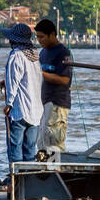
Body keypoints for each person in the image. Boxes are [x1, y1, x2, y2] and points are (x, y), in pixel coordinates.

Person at [1, 24, 44, 166]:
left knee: (15, 148)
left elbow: (13, 81)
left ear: (14, 40)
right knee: (30, 149)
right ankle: (28, 181)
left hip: (20, 110)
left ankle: (15, 183)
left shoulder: (16, 55)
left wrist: (9, 104)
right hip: (36, 111)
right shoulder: (35, 56)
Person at [35, 18, 73, 154]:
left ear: (52, 34)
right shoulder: (43, 53)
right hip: (44, 103)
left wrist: (40, 73)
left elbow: (64, 80)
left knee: (54, 142)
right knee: (42, 142)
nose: (39, 40)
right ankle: (44, 173)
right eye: (37, 37)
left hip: (58, 104)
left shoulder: (63, 52)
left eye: (42, 37)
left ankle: (55, 171)